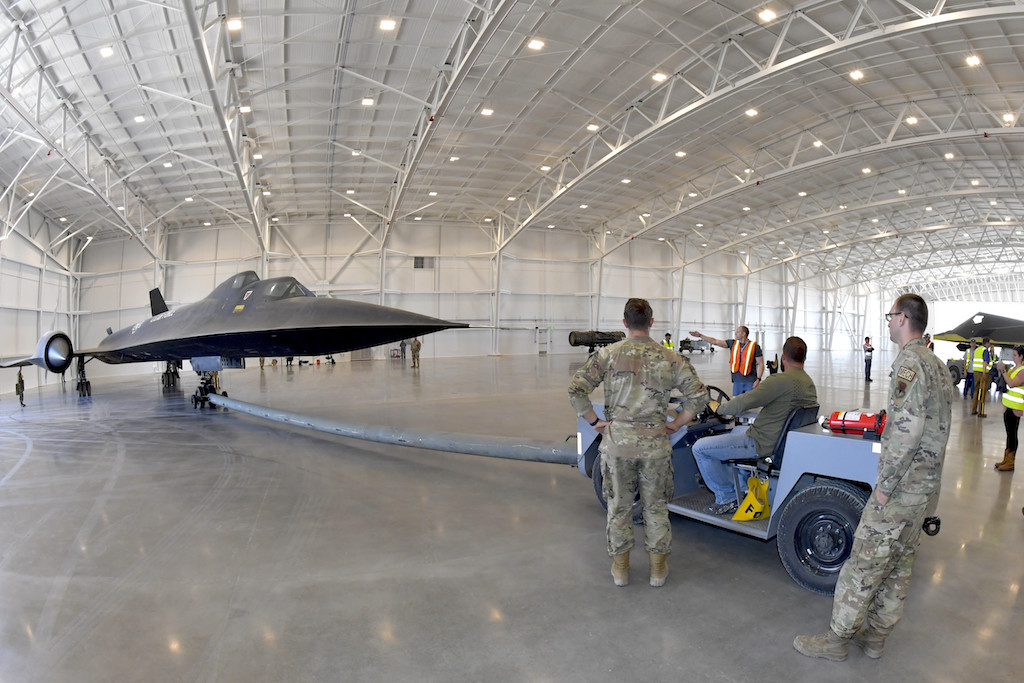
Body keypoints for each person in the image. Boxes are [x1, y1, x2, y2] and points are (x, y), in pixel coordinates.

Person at [794, 293, 954, 662]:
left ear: (903, 319)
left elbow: (907, 433)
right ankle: (876, 638)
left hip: (900, 491)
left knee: (863, 564)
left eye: (890, 315)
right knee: (899, 564)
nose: (888, 322)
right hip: (924, 490)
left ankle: (837, 640)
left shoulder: (910, 364)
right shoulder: (937, 364)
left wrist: (883, 488)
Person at [568, 298, 708, 588]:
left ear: (624, 323)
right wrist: (677, 423)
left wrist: (594, 422)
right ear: (651, 323)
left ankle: (621, 569)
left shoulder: (608, 354)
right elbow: (699, 396)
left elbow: (576, 389)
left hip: (618, 446)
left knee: (619, 507)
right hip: (655, 447)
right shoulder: (670, 358)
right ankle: (658, 570)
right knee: (656, 508)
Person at [690, 336, 816, 514]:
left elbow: (746, 400)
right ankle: (742, 485)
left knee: (700, 448)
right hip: (782, 440)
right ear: (804, 358)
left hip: (761, 443)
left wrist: (719, 408)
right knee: (737, 429)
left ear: (783, 357)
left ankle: (727, 496)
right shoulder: (808, 383)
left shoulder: (780, 381)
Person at [689, 325, 764, 395]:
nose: (735, 333)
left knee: (749, 402)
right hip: (737, 382)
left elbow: (761, 364)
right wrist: (700, 335)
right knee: (736, 402)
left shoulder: (754, 346)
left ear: (743, 334)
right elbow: (715, 341)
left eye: (738, 332)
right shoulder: (732, 343)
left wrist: (758, 379)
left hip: (750, 382)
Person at [993, 345, 1024, 472]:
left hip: (1015, 407)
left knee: (1012, 434)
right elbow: (1005, 380)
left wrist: (1004, 371)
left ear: (1021, 357)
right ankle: (1006, 459)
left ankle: (1011, 462)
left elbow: (1011, 383)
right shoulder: (1013, 369)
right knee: (1009, 434)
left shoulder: (1022, 371)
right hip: (1008, 406)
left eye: (1015, 355)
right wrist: (1001, 371)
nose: (1013, 357)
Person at [973, 338, 996, 417]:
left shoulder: (977, 350)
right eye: (989, 343)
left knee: (976, 391)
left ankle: (974, 409)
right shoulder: (985, 350)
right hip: (983, 373)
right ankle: (981, 412)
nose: (990, 345)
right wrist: (984, 373)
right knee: (983, 392)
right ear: (987, 343)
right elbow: (985, 362)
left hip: (976, 372)